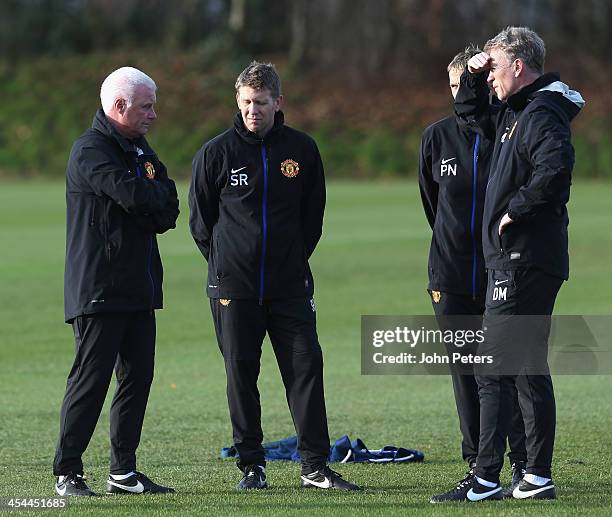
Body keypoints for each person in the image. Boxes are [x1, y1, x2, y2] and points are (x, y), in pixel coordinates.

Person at [189, 61, 360, 491]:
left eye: (261, 103)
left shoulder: (302, 150)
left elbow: (312, 218)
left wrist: (288, 260)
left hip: (290, 287)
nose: (252, 110)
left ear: (277, 102)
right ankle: (252, 466)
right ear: (237, 100)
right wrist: (230, 263)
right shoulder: (215, 153)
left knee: (306, 368)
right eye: (246, 102)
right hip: (234, 289)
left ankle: (315, 467)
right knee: (241, 376)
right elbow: (201, 222)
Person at [434, 26, 584, 502]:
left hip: (523, 259)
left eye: (495, 67)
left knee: (494, 367)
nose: (491, 78)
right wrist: (477, 73)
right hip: (522, 260)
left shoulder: (540, 115)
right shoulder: (515, 112)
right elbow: (470, 112)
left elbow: (555, 172)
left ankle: (485, 478)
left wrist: (514, 210)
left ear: (519, 68)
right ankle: (536, 476)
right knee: (525, 367)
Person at [53, 66, 179, 496]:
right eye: (147, 106)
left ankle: (122, 472)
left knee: (137, 379)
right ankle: (67, 472)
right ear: (119, 106)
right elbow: (136, 195)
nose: (154, 115)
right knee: (90, 380)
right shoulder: (90, 150)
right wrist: (148, 199)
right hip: (99, 289)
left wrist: (149, 199)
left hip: (139, 287)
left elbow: (169, 206)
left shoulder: (139, 149)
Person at [420, 46, 527, 504]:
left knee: (510, 368)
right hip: (450, 272)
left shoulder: (507, 130)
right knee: (466, 371)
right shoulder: (436, 137)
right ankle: (476, 465)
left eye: (465, 85)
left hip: (501, 269)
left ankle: (522, 461)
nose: (458, 94)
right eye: (451, 86)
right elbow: (432, 204)